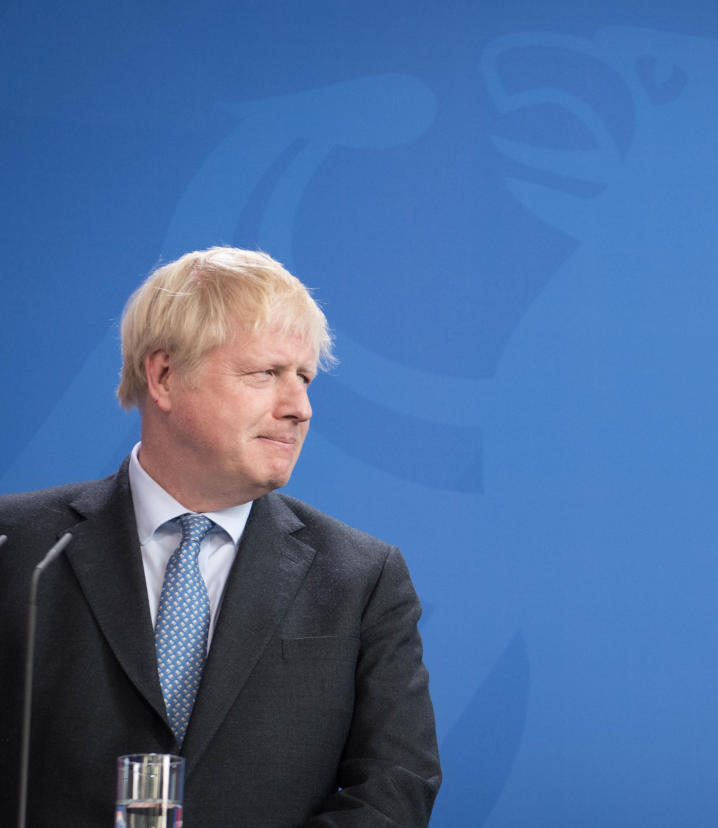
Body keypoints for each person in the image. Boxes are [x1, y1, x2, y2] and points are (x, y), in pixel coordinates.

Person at [0, 247, 441, 826]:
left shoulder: (363, 577)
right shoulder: (17, 547)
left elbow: (393, 791)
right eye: (266, 374)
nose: (300, 407)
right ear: (163, 376)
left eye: (304, 378)